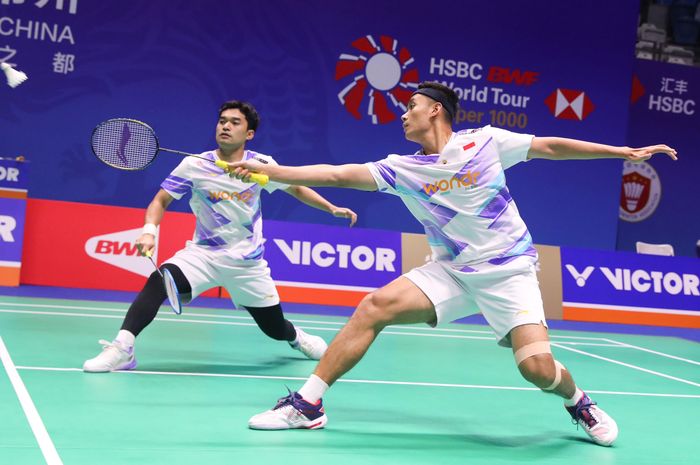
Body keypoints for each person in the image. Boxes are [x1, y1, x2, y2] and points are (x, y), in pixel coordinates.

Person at [227, 82, 677, 446]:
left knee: (537, 370)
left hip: (510, 271)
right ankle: (308, 404)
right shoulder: (401, 168)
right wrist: (272, 173)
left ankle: (578, 401)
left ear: (436, 111)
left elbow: (551, 147)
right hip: (453, 270)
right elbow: (337, 175)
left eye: (411, 106)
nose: (403, 114)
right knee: (374, 306)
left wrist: (622, 153)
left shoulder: (485, 142)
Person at [83, 100, 358, 372]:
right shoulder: (194, 165)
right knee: (158, 282)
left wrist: (330, 207)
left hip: (247, 263)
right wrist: (148, 232)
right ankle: (122, 349)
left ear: (249, 134)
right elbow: (160, 201)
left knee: (274, 328)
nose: (226, 126)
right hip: (203, 255)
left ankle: (297, 337)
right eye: (222, 121)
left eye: (235, 122)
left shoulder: (262, 164)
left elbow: (296, 188)